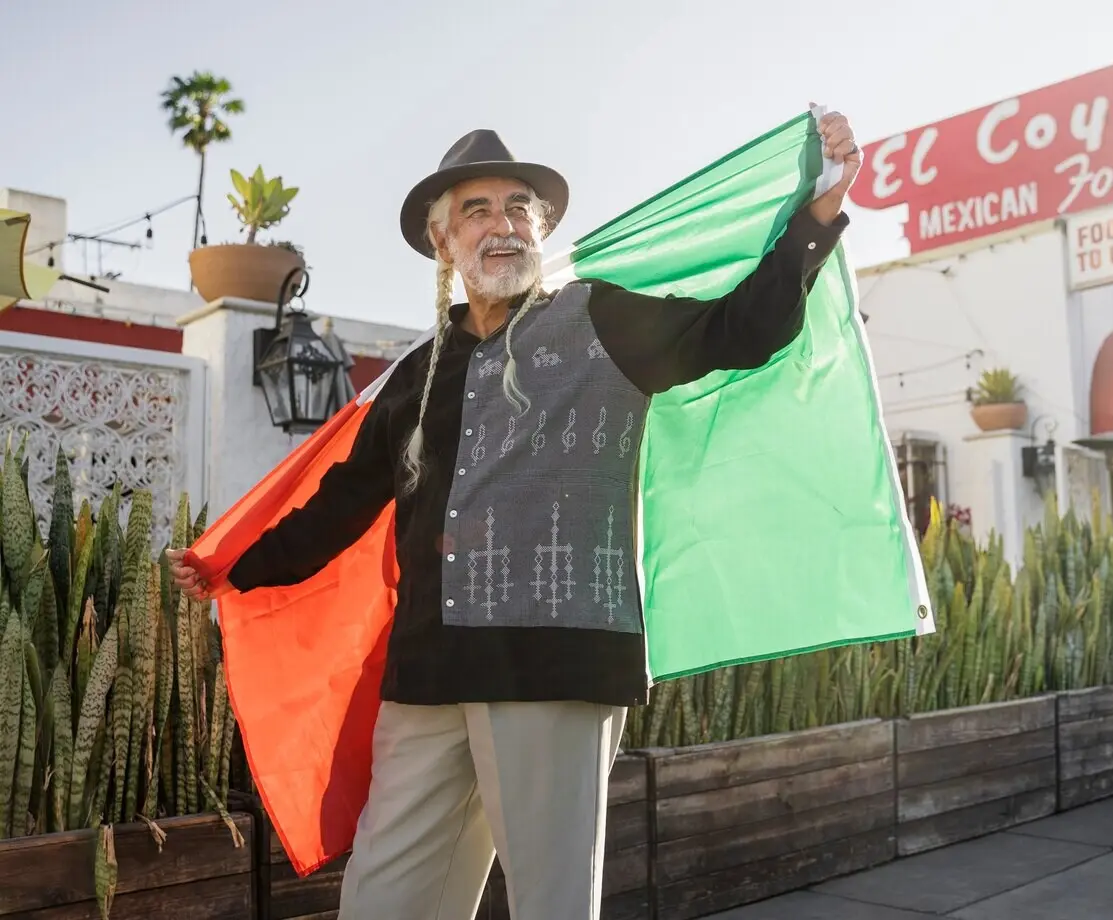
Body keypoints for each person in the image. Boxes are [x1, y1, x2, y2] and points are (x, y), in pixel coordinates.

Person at [169, 107, 863, 919]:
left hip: (553, 666)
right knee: (384, 901)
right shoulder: (414, 375)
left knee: (551, 905)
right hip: (428, 675)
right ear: (444, 243)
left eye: (516, 209)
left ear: (542, 228)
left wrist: (815, 218)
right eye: (476, 211)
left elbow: (741, 331)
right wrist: (235, 564)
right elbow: (341, 505)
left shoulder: (604, 319)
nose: (499, 227)